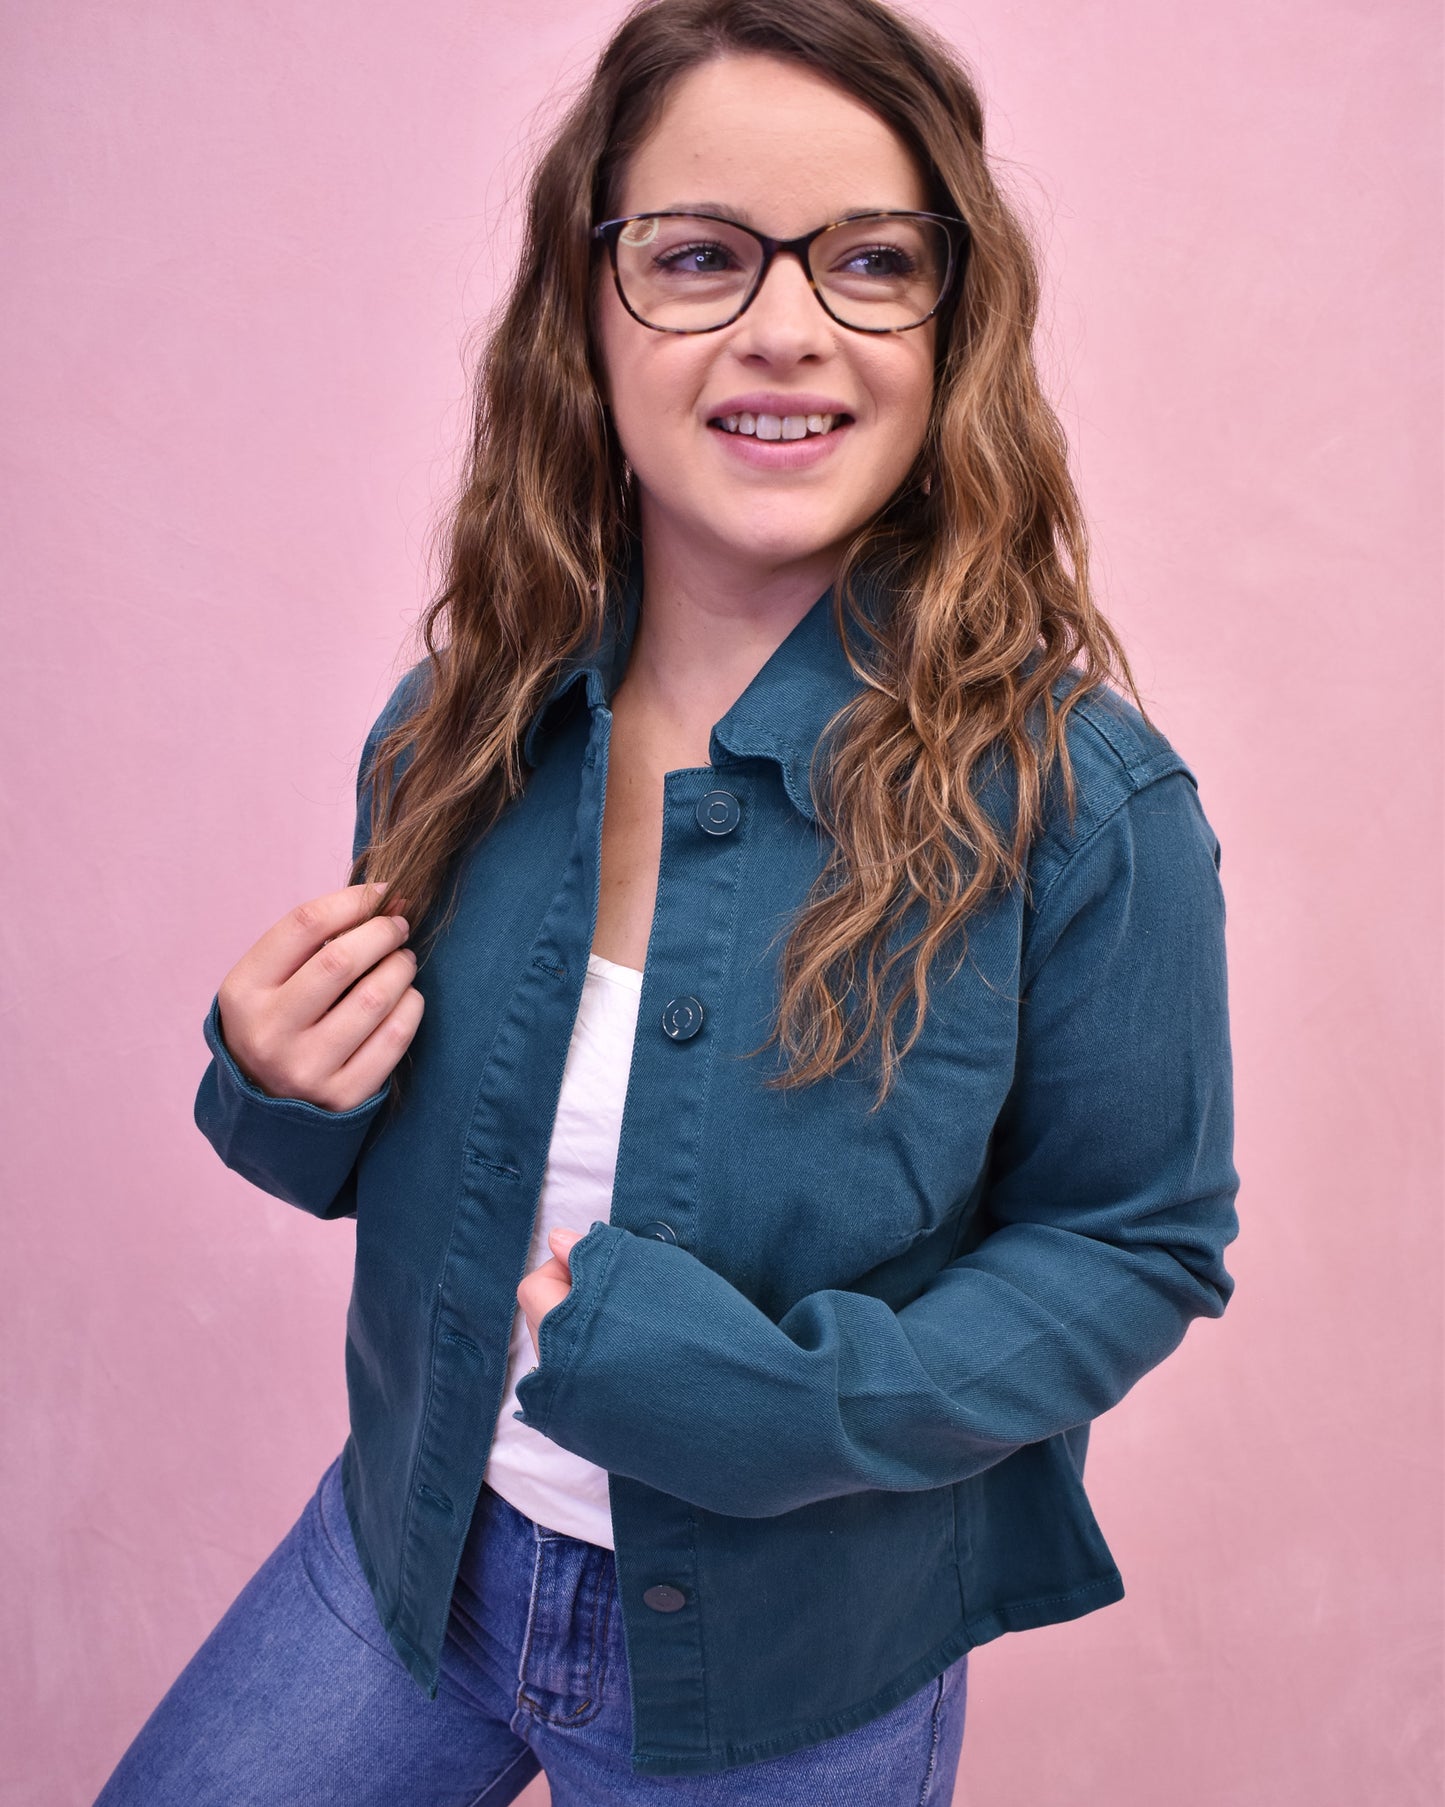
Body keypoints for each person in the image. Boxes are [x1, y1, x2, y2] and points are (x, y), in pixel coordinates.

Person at [94, 0, 1239, 1800]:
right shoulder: (456, 724)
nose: (785, 327)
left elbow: (1136, 1245)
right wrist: (274, 1080)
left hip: (792, 1676)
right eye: (697, 255)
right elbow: (384, 1153)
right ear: (586, 312)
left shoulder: (1088, 806)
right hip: (408, 1554)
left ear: (951, 322)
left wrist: (796, 1409)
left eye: (870, 260)